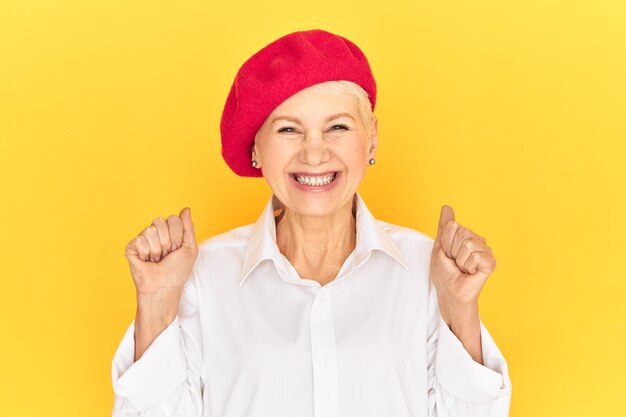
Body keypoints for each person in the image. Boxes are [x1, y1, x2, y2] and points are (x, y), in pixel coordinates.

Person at [111, 29, 512, 417]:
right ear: (256, 149)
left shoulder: (428, 268)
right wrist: (156, 303)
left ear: (371, 138)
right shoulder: (202, 277)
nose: (314, 153)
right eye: (288, 129)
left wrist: (460, 308)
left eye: (337, 127)